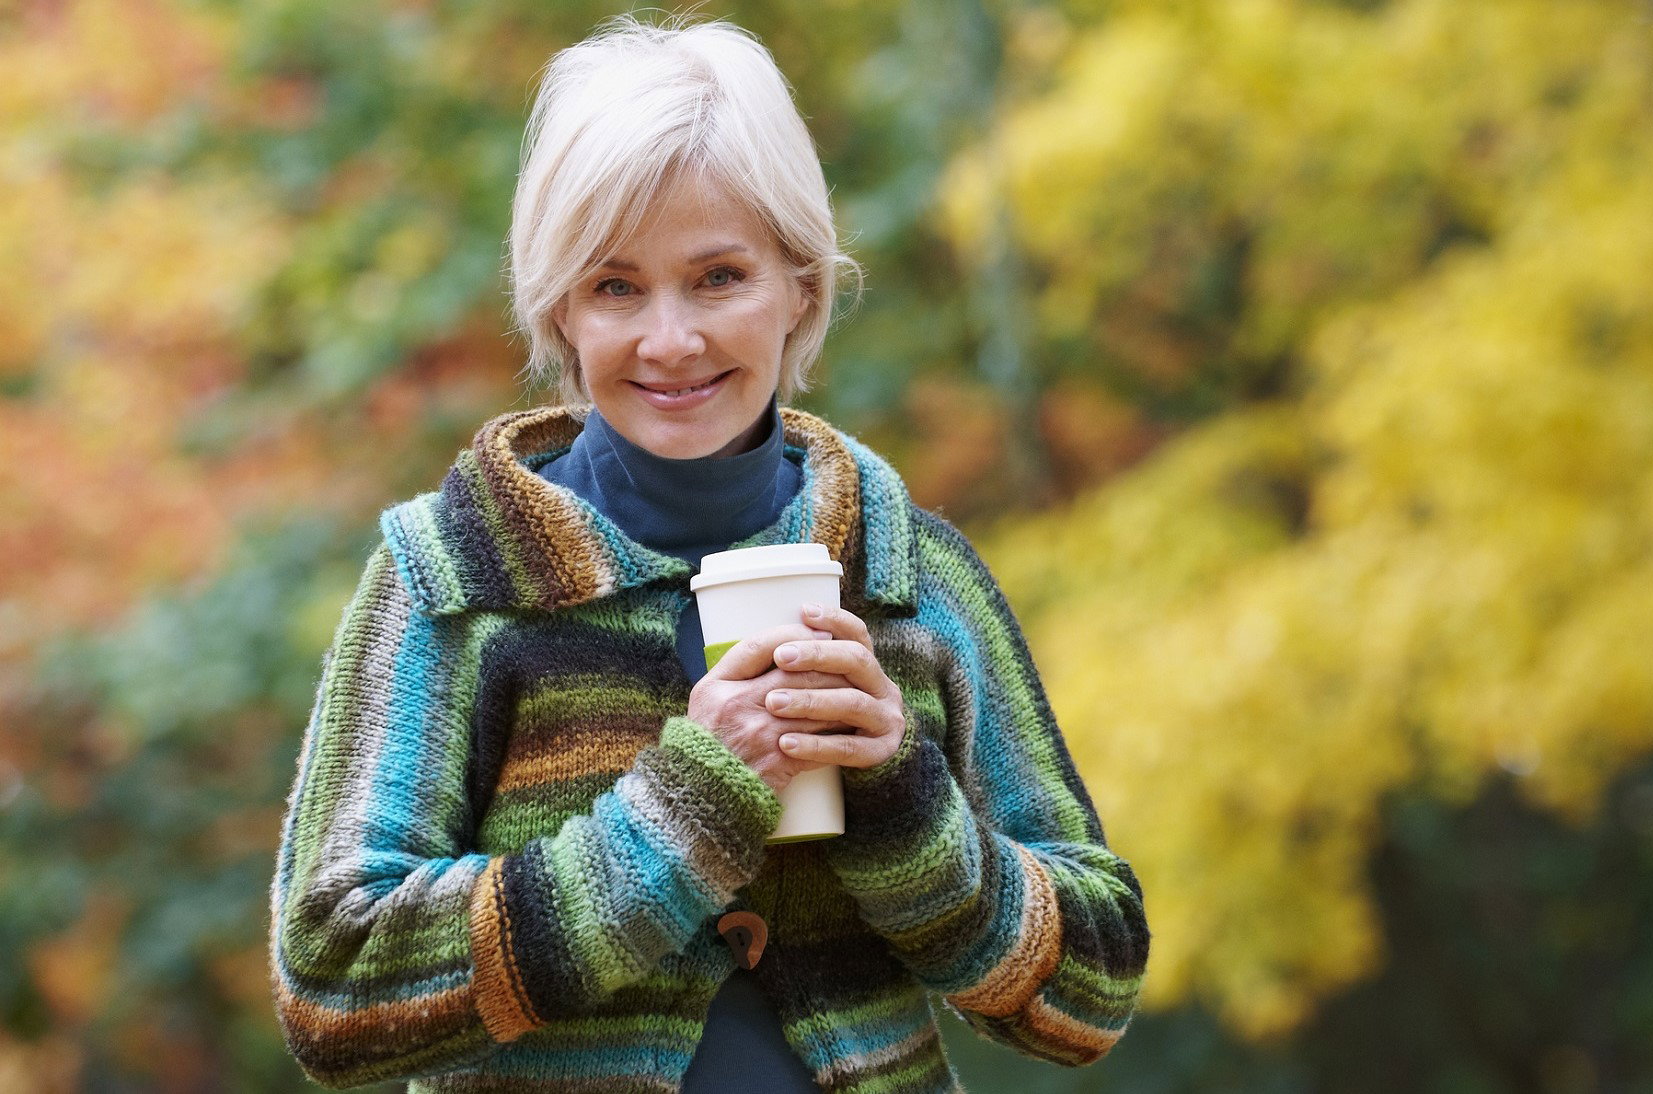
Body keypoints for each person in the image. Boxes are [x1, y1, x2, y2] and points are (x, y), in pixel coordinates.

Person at [268, 13, 1149, 1093]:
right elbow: (334, 990)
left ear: (801, 289)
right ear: (561, 313)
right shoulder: (452, 582)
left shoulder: (913, 579)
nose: (670, 339)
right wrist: (682, 809)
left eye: (720, 276)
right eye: (616, 286)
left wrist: (903, 795)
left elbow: (1092, 990)